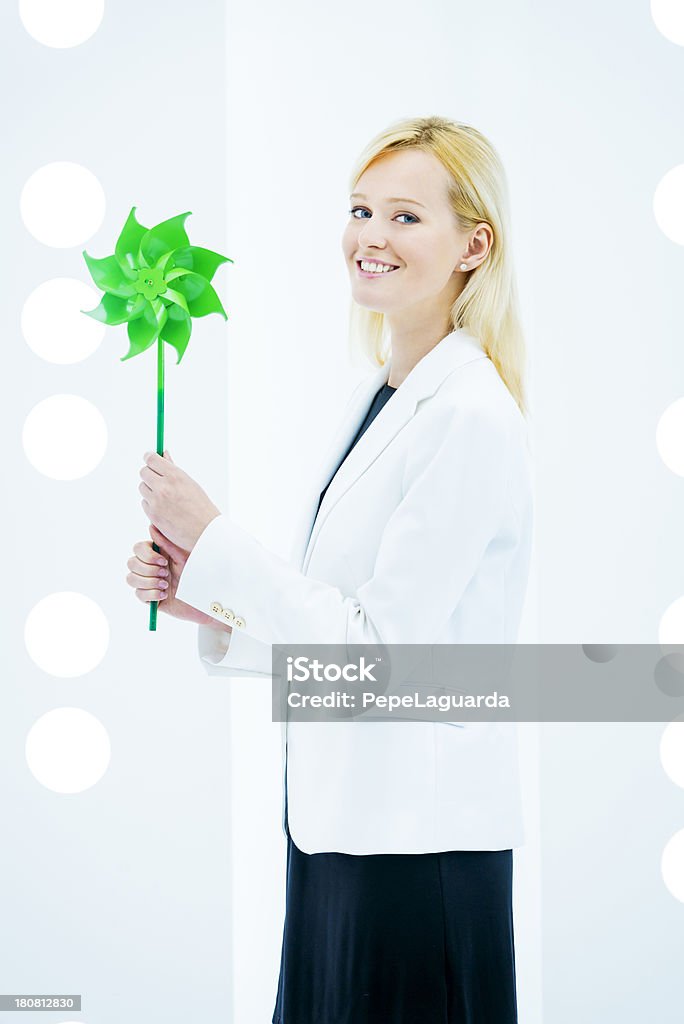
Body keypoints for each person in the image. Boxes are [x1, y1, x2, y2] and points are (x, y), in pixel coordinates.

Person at [125, 115, 534, 1024]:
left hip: (418, 855)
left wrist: (220, 537)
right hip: (338, 831)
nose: (371, 237)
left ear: (476, 244)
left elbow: (380, 656)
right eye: (360, 210)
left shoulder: (470, 416)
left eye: (404, 216)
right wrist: (210, 601)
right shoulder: (375, 397)